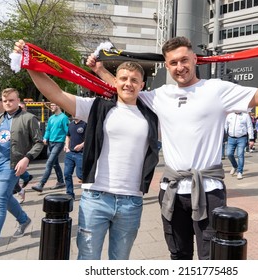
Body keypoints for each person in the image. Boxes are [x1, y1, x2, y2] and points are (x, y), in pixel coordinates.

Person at [17, 35, 258, 259]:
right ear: (167, 65)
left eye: (184, 60)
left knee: (213, 258)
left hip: (207, 189)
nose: (179, 66)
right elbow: (123, 86)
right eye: (172, 62)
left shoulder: (217, 90)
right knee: (178, 258)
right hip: (171, 191)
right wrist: (95, 69)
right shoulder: (158, 96)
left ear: (195, 59)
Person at [14, 41, 159, 260]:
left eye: (134, 80)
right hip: (96, 198)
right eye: (123, 79)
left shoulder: (151, 114)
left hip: (131, 201)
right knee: (87, 261)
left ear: (142, 84)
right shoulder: (97, 107)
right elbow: (57, 95)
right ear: (115, 82)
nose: (128, 84)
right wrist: (30, 63)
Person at [0, 88, 43, 260]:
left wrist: (27, 158)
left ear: (18, 100)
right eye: (5, 101)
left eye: (11, 100)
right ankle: (24, 220)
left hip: (11, 166)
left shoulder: (28, 118)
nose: (8, 103)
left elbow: (39, 143)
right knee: (5, 200)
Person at [31, 103, 68, 192]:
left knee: (49, 163)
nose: (51, 107)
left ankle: (41, 184)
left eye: (53, 105)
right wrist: (45, 138)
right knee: (55, 163)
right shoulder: (51, 118)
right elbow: (48, 130)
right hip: (50, 143)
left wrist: (67, 144)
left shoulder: (64, 118)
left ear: (58, 105)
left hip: (59, 143)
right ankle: (61, 181)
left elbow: (68, 132)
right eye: (50, 105)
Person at [224, 112, 254, 179]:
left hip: (242, 138)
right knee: (229, 154)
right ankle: (235, 166)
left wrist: (251, 139)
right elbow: (225, 125)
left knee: (240, 154)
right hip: (231, 138)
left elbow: (249, 126)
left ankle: (240, 172)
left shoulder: (245, 116)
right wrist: (224, 136)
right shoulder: (229, 115)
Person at [64, 118, 86, 199]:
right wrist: (66, 146)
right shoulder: (71, 124)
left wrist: (81, 145)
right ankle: (70, 194)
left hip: (80, 154)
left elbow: (89, 137)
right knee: (67, 174)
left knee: (80, 175)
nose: (73, 114)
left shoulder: (84, 124)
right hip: (70, 153)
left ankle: (89, 191)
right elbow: (68, 136)